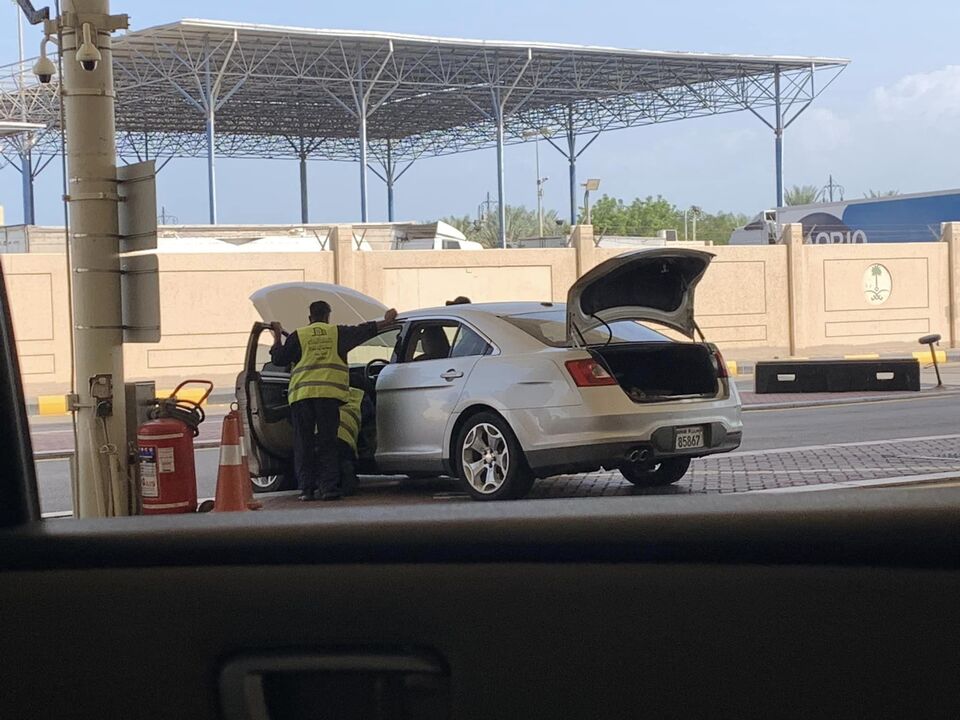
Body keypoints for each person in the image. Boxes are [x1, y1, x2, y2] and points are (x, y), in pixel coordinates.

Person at [270, 301, 397, 501]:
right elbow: (365, 330)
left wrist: (277, 335)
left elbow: (278, 359)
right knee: (328, 442)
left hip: (302, 398)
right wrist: (387, 320)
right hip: (328, 397)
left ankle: (306, 489)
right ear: (328, 316)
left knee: (303, 443)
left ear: (310, 317)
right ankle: (328, 488)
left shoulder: (299, 335)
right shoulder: (337, 333)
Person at [336, 386, 366, 497]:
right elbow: (369, 416)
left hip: (320, 437)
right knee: (345, 462)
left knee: (326, 462)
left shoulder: (333, 395)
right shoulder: (359, 397)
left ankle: (324, 487)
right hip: (345, 440)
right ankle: (347, 486)